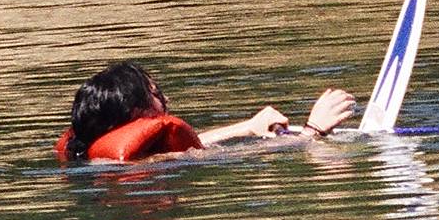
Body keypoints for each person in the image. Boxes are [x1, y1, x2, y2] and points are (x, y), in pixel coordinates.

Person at [56, 60, 357, 164]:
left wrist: (248, 127)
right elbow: (224, 157)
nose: (166, 99)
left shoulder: (92, 155)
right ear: (136, 113)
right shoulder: (141, 166)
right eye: (156, 94)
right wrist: (311, 132)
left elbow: (190, 145)